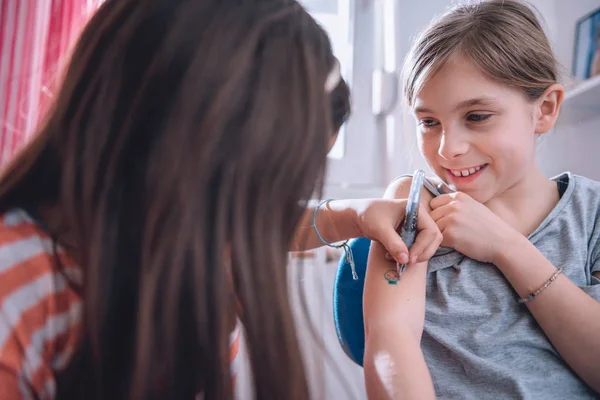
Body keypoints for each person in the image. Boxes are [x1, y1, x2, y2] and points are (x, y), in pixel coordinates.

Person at [0, 1, 440, 399]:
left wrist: (355, 216)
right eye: (268, 189)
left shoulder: (189, 238)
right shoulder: (18, 286)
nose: (264, 220)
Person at [364, 0, 600, 398]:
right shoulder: (415, 204)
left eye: (476, 116)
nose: (447, 149)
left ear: (544, 109)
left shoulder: (591, 214)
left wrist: (506, 248)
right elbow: (390, 344)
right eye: (429, 122)